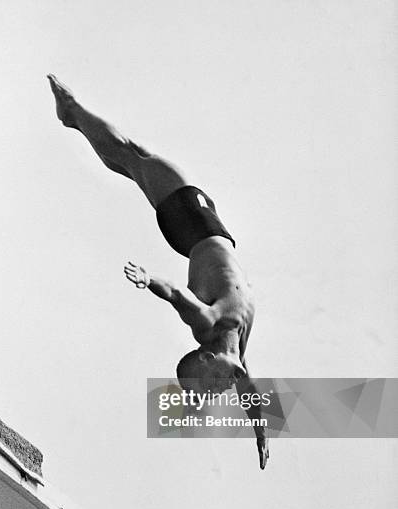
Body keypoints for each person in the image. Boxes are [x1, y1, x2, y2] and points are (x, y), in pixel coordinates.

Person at [48, 74, 269, 469]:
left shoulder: (208, 325)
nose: (220, 389)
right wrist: (261, 434)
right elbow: (248, 391)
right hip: (207, 227)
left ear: (203, 359)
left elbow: (176, 296)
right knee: (133, 161)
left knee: (134, 155)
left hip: (190, 224)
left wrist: (149, 280)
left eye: (211, 383)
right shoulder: (238, 352)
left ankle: (73, 111)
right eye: (216, 392)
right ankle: (75, 119)